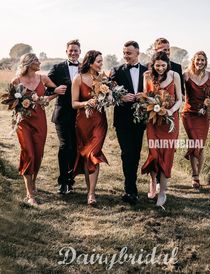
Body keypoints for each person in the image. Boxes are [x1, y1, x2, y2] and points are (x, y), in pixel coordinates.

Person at [11, 53, 61, 205]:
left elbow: (55, 90)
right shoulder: (17, 81)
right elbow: (11, 102)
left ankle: (33, 182)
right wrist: (19, 105)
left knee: (38, 154)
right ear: (28, 63)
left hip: (40, 120)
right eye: (36, 60)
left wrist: (47, 98)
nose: (39, 62)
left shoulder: (43, 78)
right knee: (29, 154)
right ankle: (29, 194)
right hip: (23, 121)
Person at [141, 51, 182, 208]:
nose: (160, 68)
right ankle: (153, 183)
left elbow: (180, 99)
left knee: (167, 154)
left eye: (163, 65)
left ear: (168, 64)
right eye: (157, 65)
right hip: (153, 121)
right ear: (152, 64)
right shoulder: (147, 76)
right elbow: (146, 97)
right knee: (154, 153)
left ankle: (163, 192)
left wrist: (170, 111)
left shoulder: (174, 75)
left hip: (170, 121)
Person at [110, 41, 147, 205]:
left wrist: (144, 96)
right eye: (124, 53)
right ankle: (130, 189)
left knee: (136, 153)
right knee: (126, 153)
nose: (126, 55)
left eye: (129, 53)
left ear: (137, 52)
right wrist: (121, 97)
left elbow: (155, 92)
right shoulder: (116, 71)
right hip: (122, 119)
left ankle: (131, 187)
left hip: (140, 119)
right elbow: (107, 92)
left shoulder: (147, 71)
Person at [72, 50, 108, 205]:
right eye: (99, 61)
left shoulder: (104, 78)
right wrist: (86, 103)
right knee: (87, 157)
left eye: (101, 61)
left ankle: (91, 193)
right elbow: (73, 103)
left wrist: (109, 98)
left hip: (99, 121)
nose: (101, 64)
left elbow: (108, 99)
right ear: (90, 62)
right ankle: (90, 192)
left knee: (94, 152)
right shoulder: (78, 79)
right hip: (83, 121)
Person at [47, 39, 81, 195]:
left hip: (80, 115)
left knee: (74, 148)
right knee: (64, 146)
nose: (73, 53)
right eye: (71, 50)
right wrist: (55, 90)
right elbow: (46, 89)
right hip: (62, 114)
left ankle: (70, 180)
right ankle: (62, 182)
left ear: (80, 52)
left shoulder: (85, 68)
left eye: (76, 50)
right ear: (66, 51)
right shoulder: (58, 68)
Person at [182, 51, 210, 189]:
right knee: (196, 142)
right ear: (193, 60)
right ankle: (195, 176)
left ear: (205, 61)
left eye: (203, 60)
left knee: (199, 146)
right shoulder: (186, 75)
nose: (200, 62)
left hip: (203, 116)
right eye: (198, 60)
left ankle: (197, 176)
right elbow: (179, 93)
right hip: (189, 114)